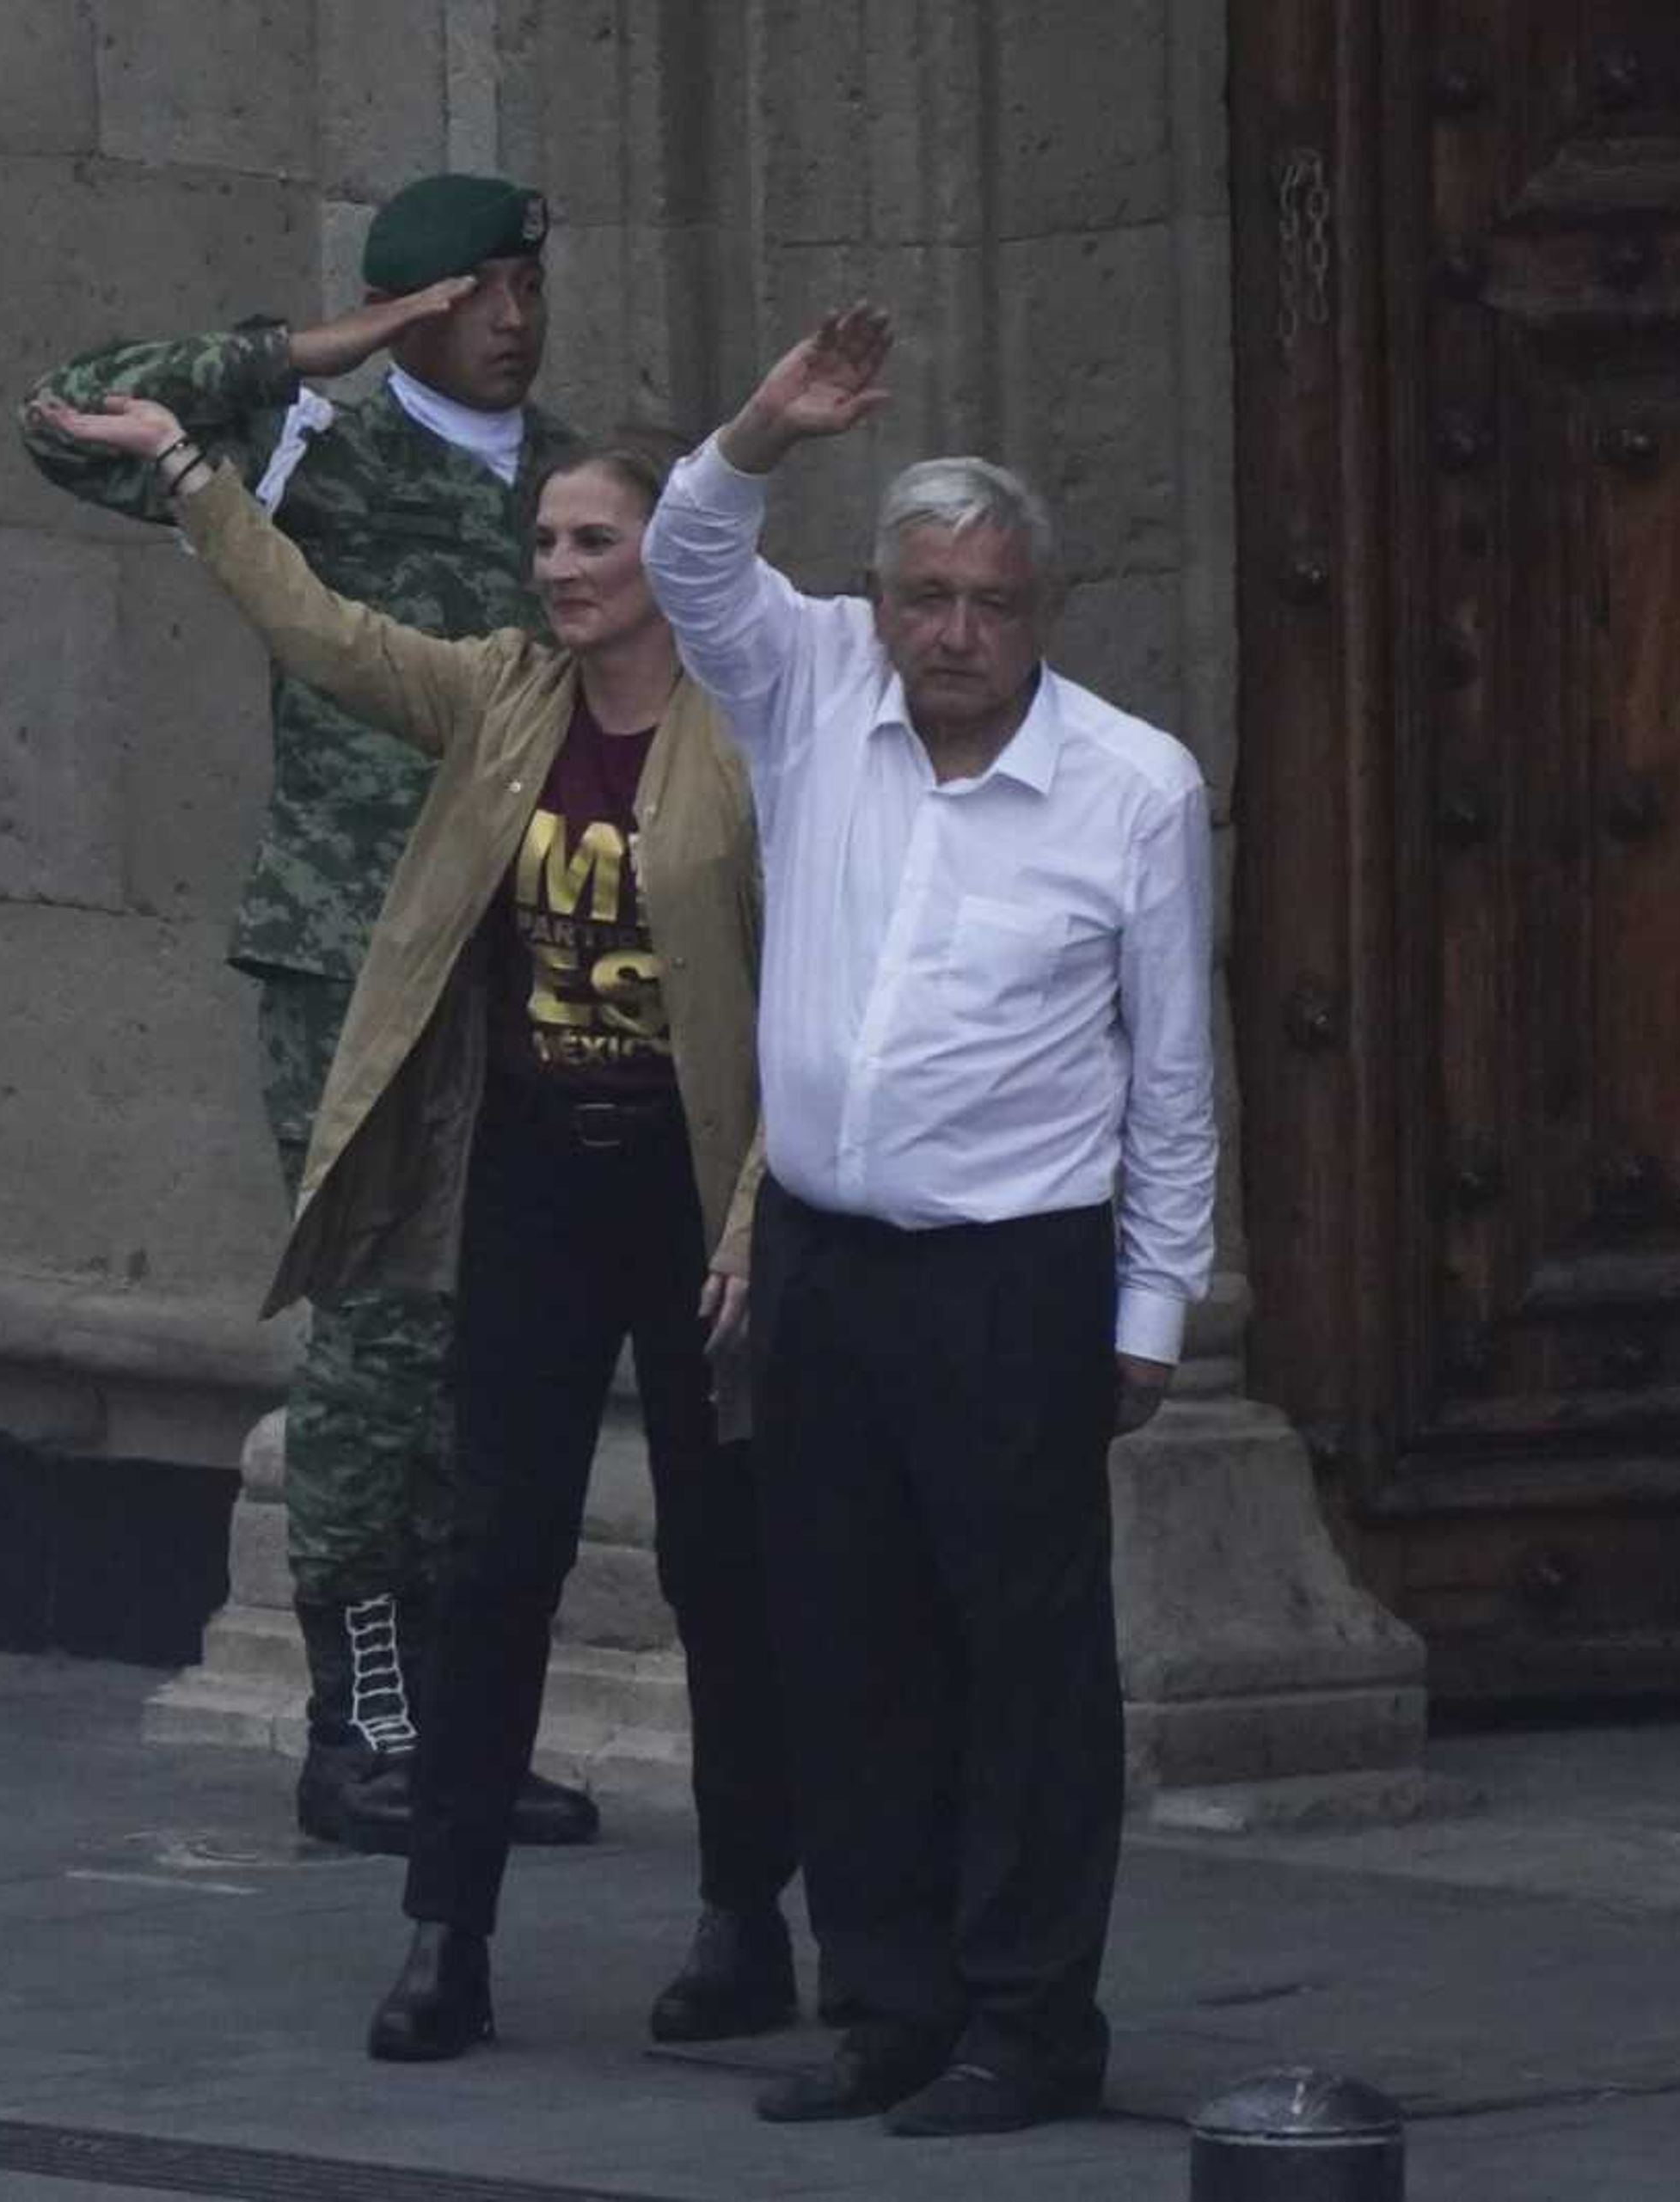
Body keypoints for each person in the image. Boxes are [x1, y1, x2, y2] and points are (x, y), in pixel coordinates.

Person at [31, 366, 801, 2065]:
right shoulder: (506, 698)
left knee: (718, 1564)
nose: (556, 566)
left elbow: (807, 999)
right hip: (537, 1180)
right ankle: (446, 1932)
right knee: (497, 1551)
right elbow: (324, 635)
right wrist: (187, 475)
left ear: (668, 554)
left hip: (693, 1196)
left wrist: (755, 1211)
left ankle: (750, 1917)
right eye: (544, 539)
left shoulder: (749, 735)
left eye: (590, 539)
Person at [642, 305, 1220, 2138]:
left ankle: (1029, 2019)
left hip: (1015, 1277)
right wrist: (769, 423)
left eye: (991, 603)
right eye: (926, 599)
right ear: (878, 605)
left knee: (1024, 1670)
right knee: (846, 1640)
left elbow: (1173, 1078)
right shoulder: (811, 691)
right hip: (823, 1261)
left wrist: (1152, 1315)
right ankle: (884, 2000)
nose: (954, 635)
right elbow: (681, 555)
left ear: (1041, 613)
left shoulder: (1134, 786)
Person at [18, 171, 594, 1855]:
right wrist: (311, 347)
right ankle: (366, 1730)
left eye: (524, 286)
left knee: (501, 1349)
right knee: (385, 1333)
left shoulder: (574, 481)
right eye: (475, 291)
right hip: (354, 957)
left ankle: (472, 1726)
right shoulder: (312, 455)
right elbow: (62, 416)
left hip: (534, 963)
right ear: (414, 308)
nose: (510, 315)